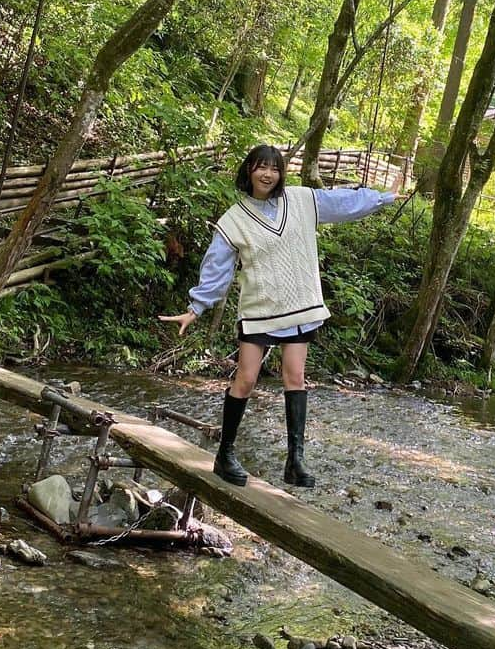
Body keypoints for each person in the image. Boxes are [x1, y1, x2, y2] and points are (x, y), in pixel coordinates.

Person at [161, 145, 395, 488]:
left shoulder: (302, 200)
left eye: (274, 168)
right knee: (246, 378)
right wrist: (196, 307)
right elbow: (217, 267)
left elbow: (343, 202)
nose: (267, 174)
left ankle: (294, 461)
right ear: (249, 171)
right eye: (260, 168)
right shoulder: (234, 219)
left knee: (295, 378)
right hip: (259, 310)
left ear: (281, 173)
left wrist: (381, 198)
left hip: (300, 306)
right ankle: (225, 454)